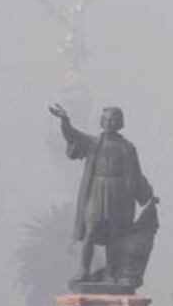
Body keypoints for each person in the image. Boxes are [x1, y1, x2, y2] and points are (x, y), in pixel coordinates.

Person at [49, 103, 155, 285]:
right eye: (106, 119)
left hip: (119, 195)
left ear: (120, 122)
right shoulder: (94, 143)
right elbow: (73, 136)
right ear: (101, 122)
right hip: (96, 191)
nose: (109, 122)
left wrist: (148, 195)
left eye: (113, 119)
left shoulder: (127, 148)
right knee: (91, 231)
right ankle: (83, 271)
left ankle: (111, 273)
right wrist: (65, 121)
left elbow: (136, 174)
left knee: (115, 235)